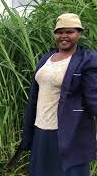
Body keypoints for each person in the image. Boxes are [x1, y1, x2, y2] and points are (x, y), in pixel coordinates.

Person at [19, 13, 97, 176]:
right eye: (59, 32)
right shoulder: (47, 58)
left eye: (69, 32)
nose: (64, 36)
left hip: (67, 132)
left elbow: (93, 97)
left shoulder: (86, 60)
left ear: (79, 34)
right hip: (41, 129)